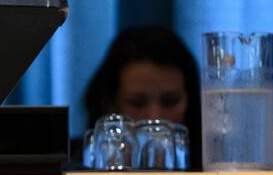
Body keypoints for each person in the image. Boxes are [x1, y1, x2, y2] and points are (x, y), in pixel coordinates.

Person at [82, 25, 202, 167]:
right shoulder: (75, 171)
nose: (154, 117)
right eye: (137, 103)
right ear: (110, 103)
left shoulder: (215, 171)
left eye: (170, 102)